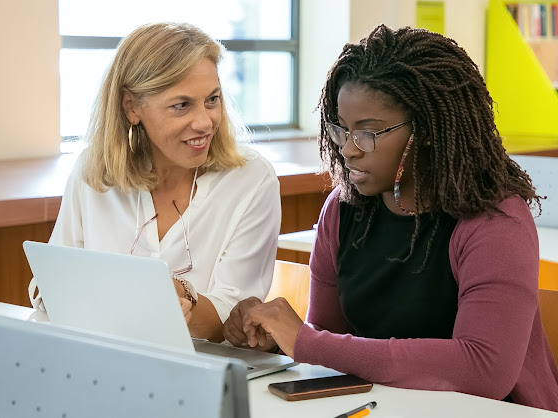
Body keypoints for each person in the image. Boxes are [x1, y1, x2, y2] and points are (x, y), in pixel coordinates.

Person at [223, 25, 558, 411]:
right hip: (385, 406)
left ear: (427, 129)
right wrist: (280, 340)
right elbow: (330, 343)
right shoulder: (343, 209)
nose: (348, 150)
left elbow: (484, 370)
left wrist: (307, 342)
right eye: (341, 130)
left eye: (367, 133)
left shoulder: (494, 221)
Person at [28, 22, 281, 342]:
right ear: (131, 107)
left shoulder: (251, 179)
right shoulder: (93, 171)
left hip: (204, 364)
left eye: (212, 99)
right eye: (181, 105)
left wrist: (179, 298)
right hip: (102, 358)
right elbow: (49, 284)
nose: (204, 122)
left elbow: (234, 320)